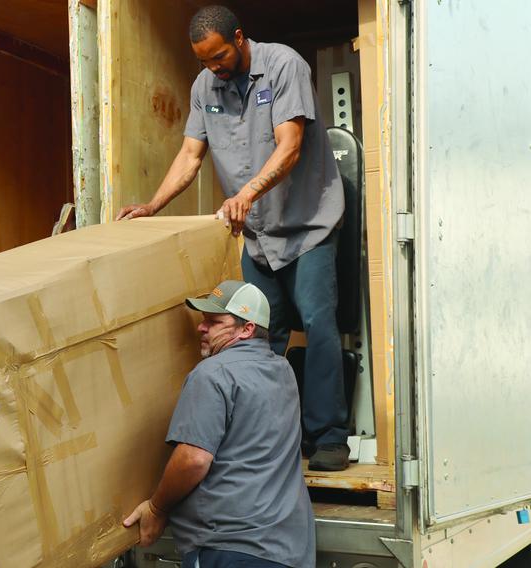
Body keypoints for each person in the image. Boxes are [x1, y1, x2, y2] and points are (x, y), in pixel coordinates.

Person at [116, 5, 349, 470]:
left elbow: (290, 146)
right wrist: (151, 206)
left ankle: (328, 437)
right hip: (259, 238)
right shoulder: (206, 86)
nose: (213, 68)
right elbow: (189, 154)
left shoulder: (284, 66)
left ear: (239, 39)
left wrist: (245, 193)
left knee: (318, 323)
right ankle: (268, 434)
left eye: (219, 56)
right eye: (203, 61)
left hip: (308, 227)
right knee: (256, 334)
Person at [124, 281, 315, 568]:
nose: (202, 328)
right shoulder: (283, 371)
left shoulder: (213, 374)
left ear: (247, 329)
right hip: (288, 551)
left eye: (214, 322)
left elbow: (193, 459)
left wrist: (157, 508)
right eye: (204, 320)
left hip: (231, 548)